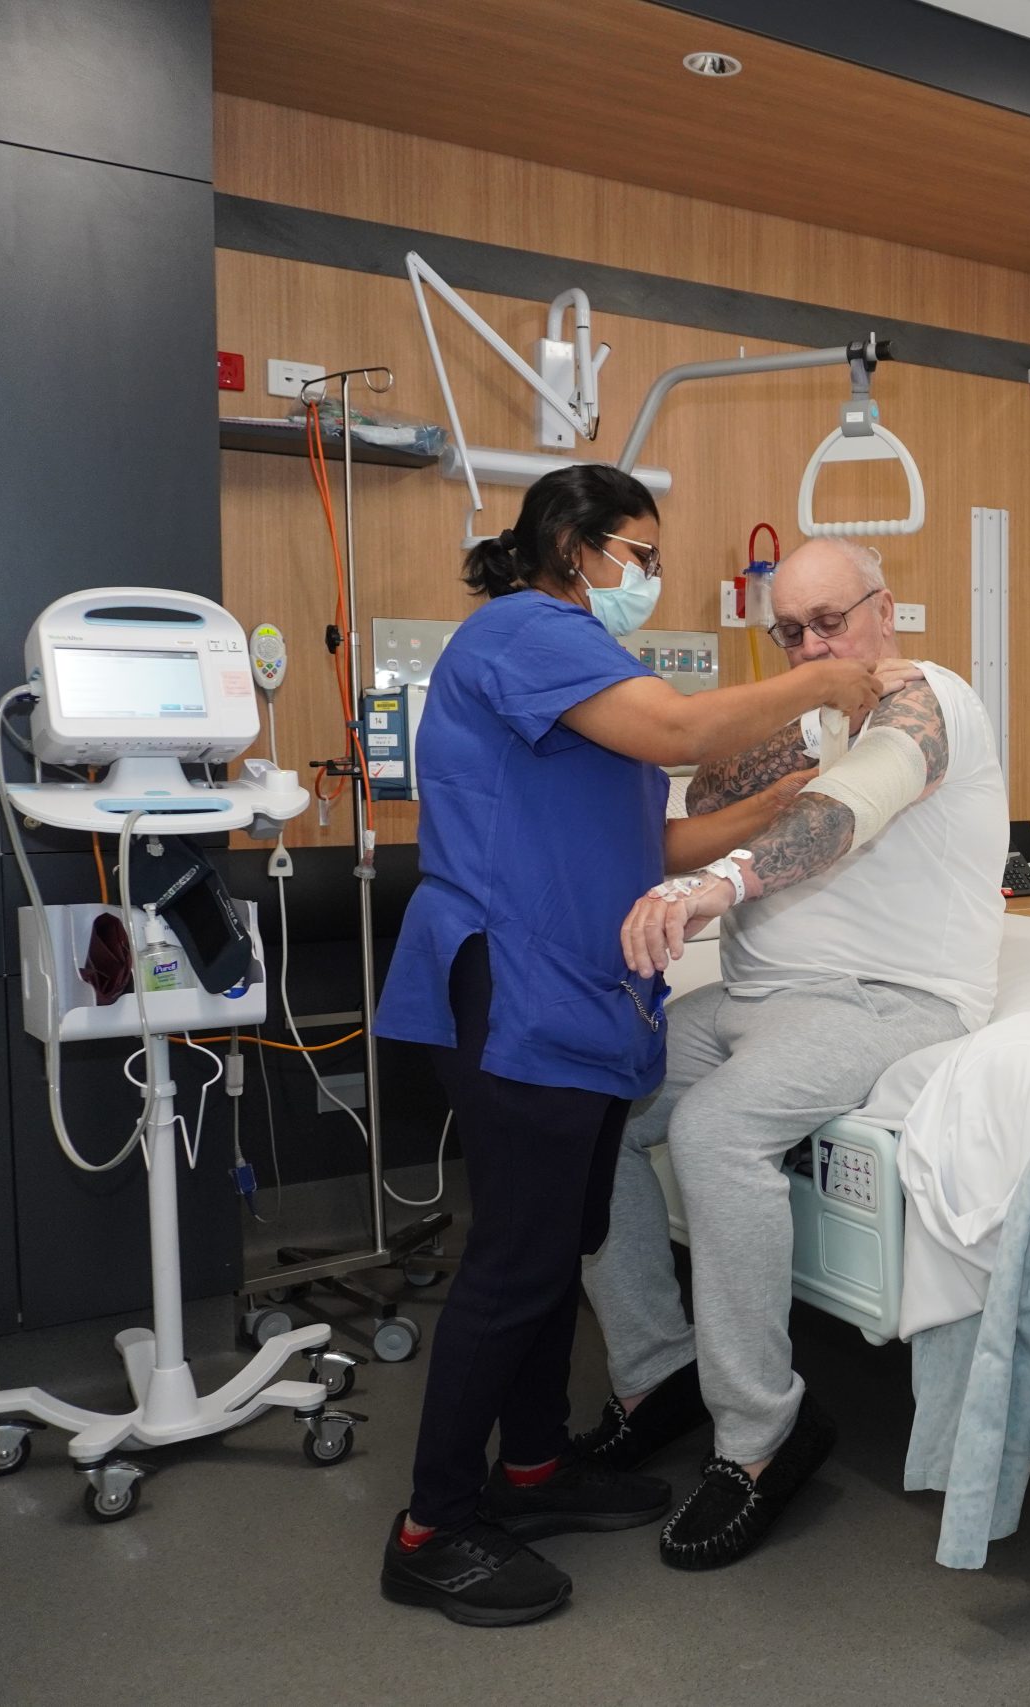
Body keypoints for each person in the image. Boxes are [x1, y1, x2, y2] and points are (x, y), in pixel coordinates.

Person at [371, 466, 905, 1627]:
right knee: (515, 1260)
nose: (649, 578)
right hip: (514, 986)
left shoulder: (581, 670)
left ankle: (531, 1469)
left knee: (559, 1242)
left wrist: (778, 810)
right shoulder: (523, 632)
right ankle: (432, 1526)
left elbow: (649, 841)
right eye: (640, 553)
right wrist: (826, 676)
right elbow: (678, 726)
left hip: (579, 989)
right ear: (573, 544)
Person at [574, 535, 1008, 1571]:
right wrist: (792, 711)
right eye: (790, 632)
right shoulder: (813, 713)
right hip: (751, 997)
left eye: (832, 622)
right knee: (592, 1098)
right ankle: (656, 1373)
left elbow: (845, 809)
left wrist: (716, 887)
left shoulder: (933, 698)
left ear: (884, 608)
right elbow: (715, 782)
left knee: (716, 1127)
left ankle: (760, 1438)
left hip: (889, 999)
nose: (815, 645)